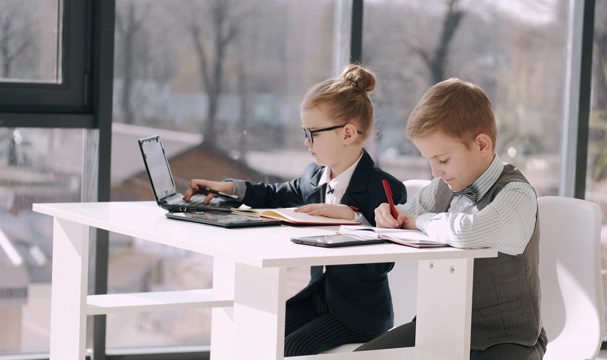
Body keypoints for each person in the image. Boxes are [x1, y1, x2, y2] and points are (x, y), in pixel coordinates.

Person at [183, 64, 407, 356]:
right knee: (256, 330)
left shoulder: (385, 188)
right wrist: (226, 189)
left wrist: (354, 219)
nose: (306, 142)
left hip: (359, 314)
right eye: (305, 132)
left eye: (313, 133)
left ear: (348, 133)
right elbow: (275, 194)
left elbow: (383, 263)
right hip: (317, 299)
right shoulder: (313, 176)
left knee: (289, 348)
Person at [355, 78, 547, 360]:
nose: (435, 172)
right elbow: (405, 215)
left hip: (507, 340)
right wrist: (389, 215)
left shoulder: (516, 193)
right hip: (440, 328)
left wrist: (418, 221)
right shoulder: (444, 186)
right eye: (430, 161)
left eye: (442, 160)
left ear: (482, 144)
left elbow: (469, 232)